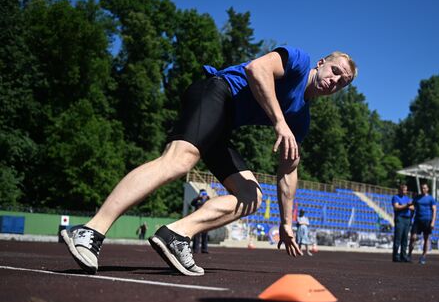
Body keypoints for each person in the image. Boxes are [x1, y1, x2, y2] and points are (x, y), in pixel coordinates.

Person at [60, 45, 357, 275]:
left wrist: (286, 223)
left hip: (222, 125)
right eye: (334, 71)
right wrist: (279, 123)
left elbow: (288, 171)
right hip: (215, 92)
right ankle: (91, 230)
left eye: (341, 83)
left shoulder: (301, 119)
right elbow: (257, 69)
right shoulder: (299, 60)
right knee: (179, 161)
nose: (334, 81)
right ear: (321, 63)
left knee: (251, 195)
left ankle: (177, 234)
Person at [408, 183, 437, 265]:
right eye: (422, 188)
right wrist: (410, 217)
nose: (423, 189)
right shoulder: (417, 198)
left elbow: (434, 210)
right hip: (417, 220)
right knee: (413, 237)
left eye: (424, 188)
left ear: (427, 189)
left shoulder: (431, 199)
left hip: (427, 221)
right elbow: (413, 208)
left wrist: (433, 222)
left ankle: (423, 256)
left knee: (426, 239)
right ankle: (409, 254)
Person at [391, 184, 413, 262]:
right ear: (400, 190)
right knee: (398, 238)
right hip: (400, 218)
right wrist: (407, 206)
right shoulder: (395, 197)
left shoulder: (407, 198)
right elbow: (396, 207)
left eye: (406, 190)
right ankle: (395, 256)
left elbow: (412, 207)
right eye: (404, 190)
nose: (405, 191)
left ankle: (403, 255)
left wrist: (405, 206)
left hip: (407, 219)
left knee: (405, 238)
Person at [191, 189, 211, 254]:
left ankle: (204, 249)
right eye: (202, 194)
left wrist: (207, 197)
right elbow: (192, 203)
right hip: (198, 219)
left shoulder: (208, 200)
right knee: (196, 235)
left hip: (206, 219)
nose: (204, 195)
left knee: (205, 235)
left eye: (205, 194)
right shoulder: (197, 200)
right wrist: (198, 198)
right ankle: (195, 249)